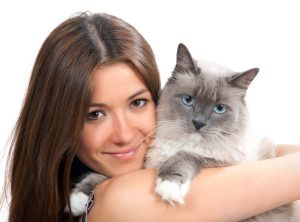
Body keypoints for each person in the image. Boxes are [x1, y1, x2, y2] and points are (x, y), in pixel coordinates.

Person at [4, 12, 300, 222]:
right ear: (59, 123)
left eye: (137, 103)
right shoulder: (120, 201)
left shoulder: (90, 196)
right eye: (95, 114)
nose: (123, 134)